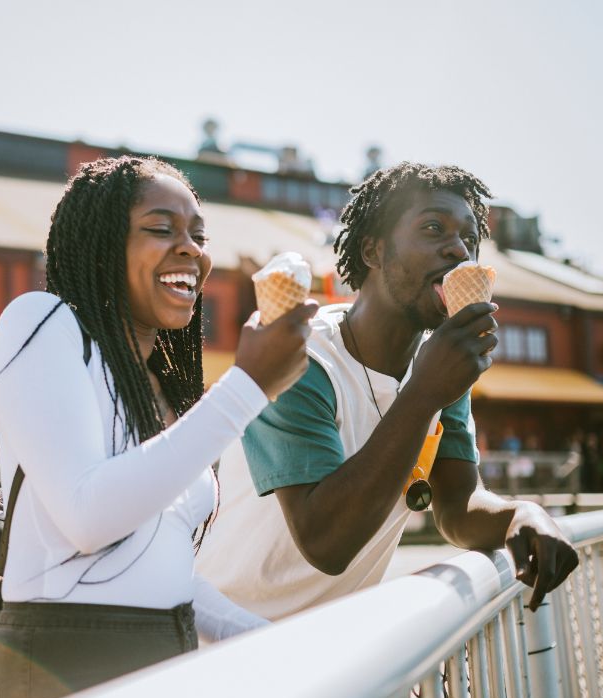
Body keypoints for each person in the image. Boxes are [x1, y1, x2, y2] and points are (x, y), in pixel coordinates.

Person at [0, 155, 315, 698]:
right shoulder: (40, 322)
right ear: (102, 246)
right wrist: (248, 388)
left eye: (198, 235)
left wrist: (267, 640)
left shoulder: (159, 389)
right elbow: (87, 517)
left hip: (166, 663)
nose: (191, 249)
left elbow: (160, 570)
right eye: (161, 229)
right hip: (67, 668)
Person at [195, 162, 579, 622]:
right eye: (434, 228)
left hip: (331, 647)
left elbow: (457, 507)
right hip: (220, 639)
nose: (459, 249)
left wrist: (522, 514)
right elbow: (326, 543)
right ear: (373, 250)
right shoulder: (301, 357)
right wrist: (423, 394)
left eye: (470, 238)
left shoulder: (439, 367)